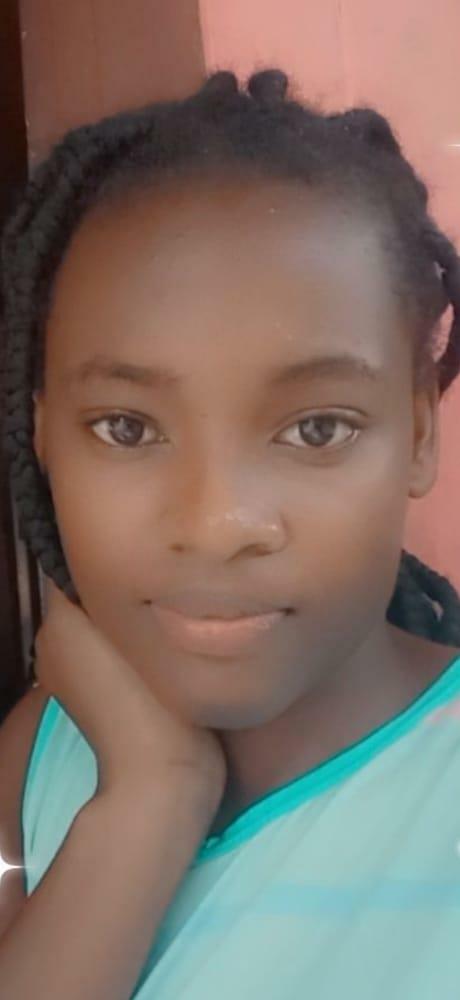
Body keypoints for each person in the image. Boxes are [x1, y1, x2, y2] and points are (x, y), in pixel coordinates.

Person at [1, 66, 460, 998]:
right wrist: (149, 799)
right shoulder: (37, 753)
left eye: (317, 428)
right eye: (126, 428)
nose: (217, 526)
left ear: (419, 434)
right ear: (42, 437)